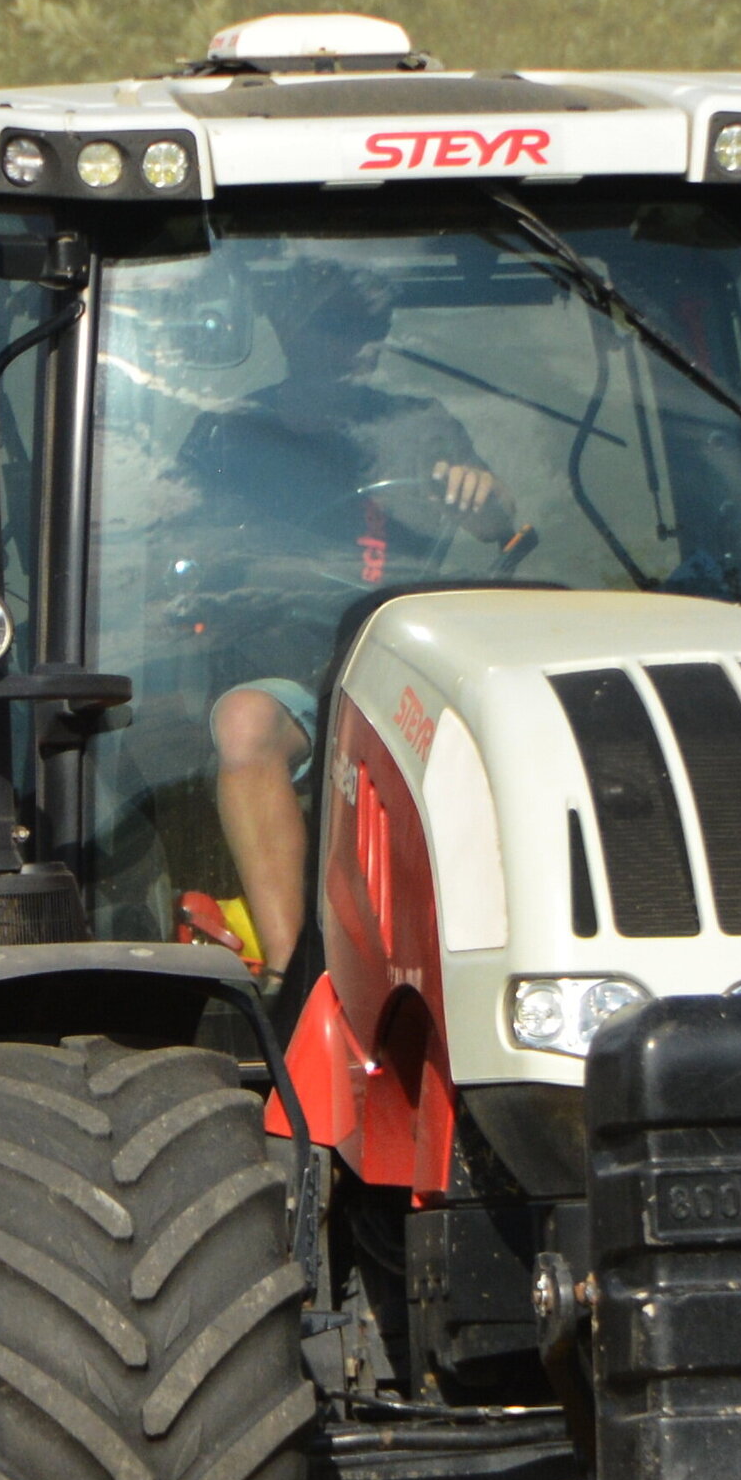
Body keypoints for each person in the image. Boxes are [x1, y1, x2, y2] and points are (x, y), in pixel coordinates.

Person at [150, 259, 517, 970]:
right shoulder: (227, 436)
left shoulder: (420, 424)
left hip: (402, 657)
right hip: (283, 667)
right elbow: (178, 559)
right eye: (345, 327)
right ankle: (294, 982)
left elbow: (500, 524)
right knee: (245, 724)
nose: (367, 345)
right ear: (290, 328)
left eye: (374, 328)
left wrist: (485, 497)